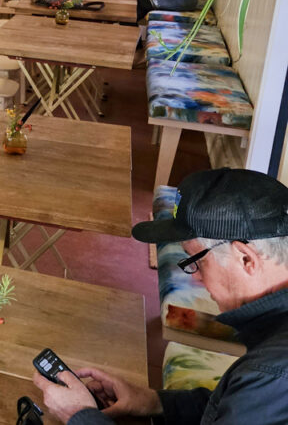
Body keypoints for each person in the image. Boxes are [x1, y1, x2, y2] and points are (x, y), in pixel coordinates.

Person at [31, 167, 288, 425]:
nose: (194, 277)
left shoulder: (270, 374)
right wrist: (152, 401)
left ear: (246, 259)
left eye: (197, 261)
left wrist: (80, 416)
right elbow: (230, 406)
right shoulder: (267, 366)